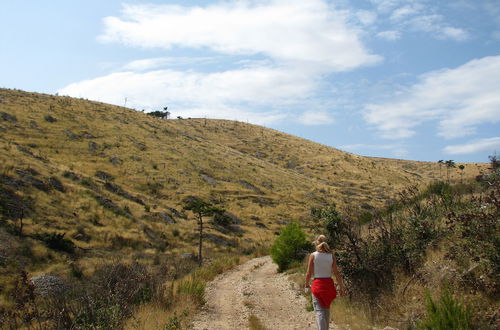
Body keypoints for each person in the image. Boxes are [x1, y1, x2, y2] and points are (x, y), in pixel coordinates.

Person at [304, 235, 347, 330]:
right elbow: (337, 273)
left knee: (319, 311)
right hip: (329, 285)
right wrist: (341, 287)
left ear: (316, 243)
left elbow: (308, 273)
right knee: (326, 310)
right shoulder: (331, 256)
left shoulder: (313, 255)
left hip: (317, 284)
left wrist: (306, 285)